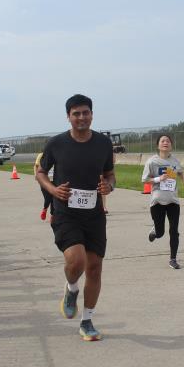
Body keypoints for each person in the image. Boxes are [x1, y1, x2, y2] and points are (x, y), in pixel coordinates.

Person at [36, 94, 115, 342]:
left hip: (94, 214)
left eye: (85, 112)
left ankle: (87, 320)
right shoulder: (57, 143)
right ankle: (71, 289)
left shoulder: (103, 143)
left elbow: (110, 174)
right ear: (68, 117)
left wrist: (109, 186)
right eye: (76, 113)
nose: (82, 117)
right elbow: (40, 172)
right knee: (76, 261)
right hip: (65, 212)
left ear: (92, 114)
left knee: (95, 267)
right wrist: (53, 190)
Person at [141, 134, 184, 269]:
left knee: (174, 231)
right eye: (163, 141)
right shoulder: (152, 162)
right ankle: (155, 231)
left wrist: (183, 176)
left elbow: (179, 170)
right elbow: (144, 179)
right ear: (158, 145)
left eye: (168, 141)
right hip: (157, 201)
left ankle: (173, 259)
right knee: (161, 233)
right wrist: (158, 179)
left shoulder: (174, 160)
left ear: (171, 145)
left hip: (173, 201)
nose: (165, 142)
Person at [34, 151, 53, 220]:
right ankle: (45, 209)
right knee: (48, 198)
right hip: (44, 180)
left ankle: (52, 215)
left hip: (54, 180)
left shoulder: (57, 154)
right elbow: (36, 166)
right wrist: (37, 176)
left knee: (54, 199)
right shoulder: (41, 155)